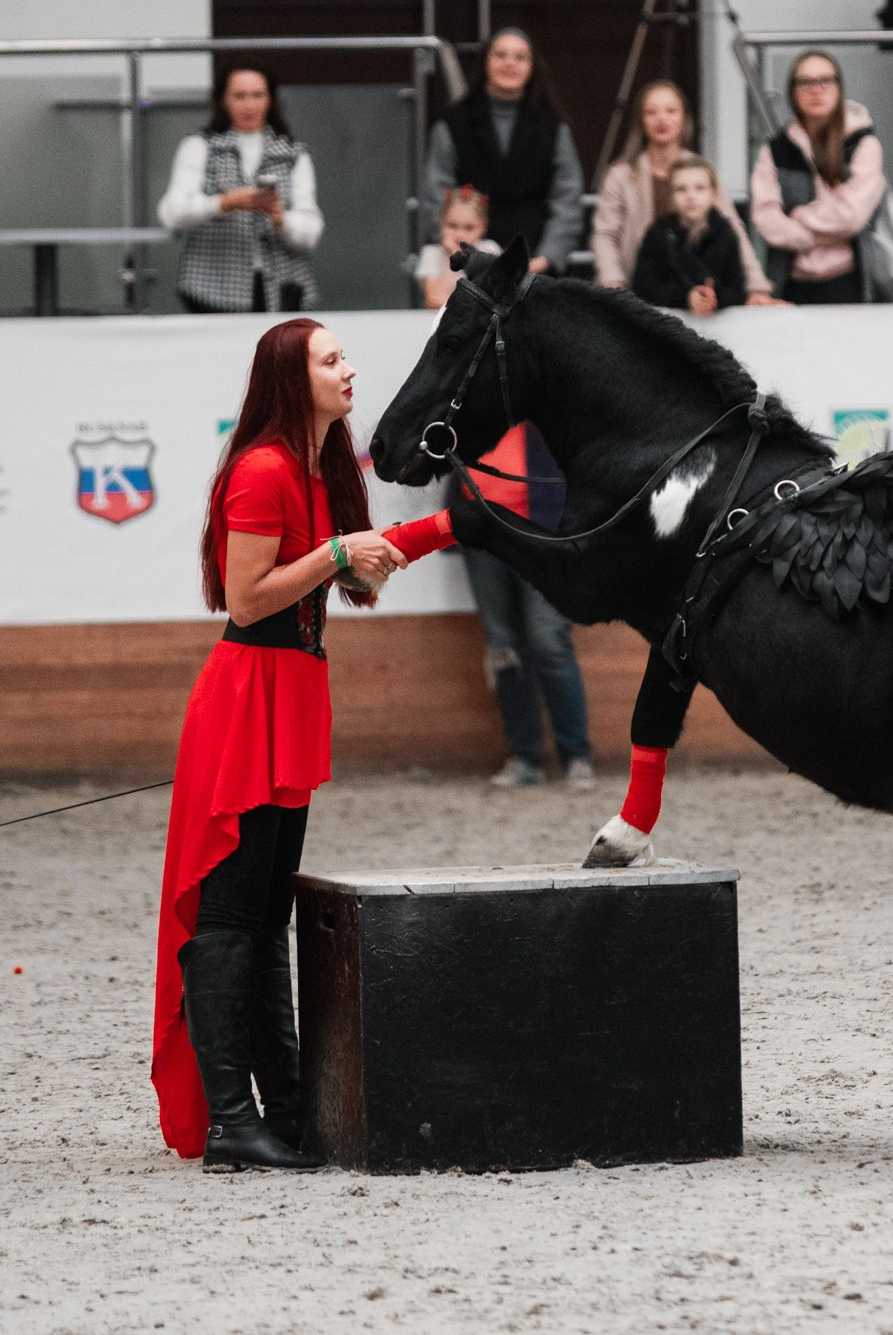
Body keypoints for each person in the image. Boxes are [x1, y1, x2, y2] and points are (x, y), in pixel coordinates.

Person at [152, 319, 459, 1168]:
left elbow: (357, 566)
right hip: (250, 699)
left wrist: (455, 526)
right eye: (331, 360)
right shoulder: (262, 471)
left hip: (287, 696)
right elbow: (247, 601)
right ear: (295, 379)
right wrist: (333, 551)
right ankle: (230, 1121)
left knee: (266, 912)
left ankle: (281, 1105)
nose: (350, 370)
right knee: (232, 914)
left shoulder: (320, 470)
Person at [459, 419, 596, 790]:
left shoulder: (539, 399)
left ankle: (576, 756)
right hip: (483, 535)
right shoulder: (464, 402)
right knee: (503, 647)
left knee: (548, 640)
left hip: (543, 536)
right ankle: (525, 758)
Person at [158, 64, 323, 314]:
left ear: (271, 99)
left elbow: (311, 231)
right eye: (239, 95)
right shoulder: (199, 146)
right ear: (223, 100)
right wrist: (224, 203)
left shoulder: (293, 153)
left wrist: (279, 217)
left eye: (258, 95)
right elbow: (172, 213)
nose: (250, 105)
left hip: (283, 286)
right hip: (211, 287)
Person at [590, 80, 774, 301]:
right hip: (635, 291)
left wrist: (756, 285)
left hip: (695, 295)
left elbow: (732, 226)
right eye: (651, 112)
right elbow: (605, 235)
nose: (662, 119)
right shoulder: (621, 175)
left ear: (684, 117)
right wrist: (614, 285)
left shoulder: (702, 170)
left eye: (671, 111)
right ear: (641, 120)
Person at [423, 28, 582, 275]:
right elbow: (436, 196)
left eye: (520, 57)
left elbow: (567, 199)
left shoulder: (553, 126)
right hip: (467, 267)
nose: (510, 63)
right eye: (500, 55)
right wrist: (455, 249)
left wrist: (547, 257)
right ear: (486, 61)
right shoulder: (453, 123)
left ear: (532, 67)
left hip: (535, 264)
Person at [750, 50, 888, 305]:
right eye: (806, 82)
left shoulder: (862, 144)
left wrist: (800, 217)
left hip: (850, 281)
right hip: (789, 283)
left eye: (826, 80)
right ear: (793, 90)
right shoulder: (776, 150)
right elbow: (765, 218)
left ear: (839, 87)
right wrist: (811, 237)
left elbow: (851, 216)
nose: (817, 89)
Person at [630, 154, 750, 315]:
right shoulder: (658, 232)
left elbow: (736, 290)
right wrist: (686, 296)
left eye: (700, 188)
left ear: (714, 195)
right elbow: (643, 286)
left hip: (717, 324)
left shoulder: (726, 234)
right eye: (681, 189)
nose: (691, 196)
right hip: (670, 323)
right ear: (671, 196)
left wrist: (714, 297)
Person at [413, 185, 500, 310]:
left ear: (483, 226)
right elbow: (434, 300)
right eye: (452, 226)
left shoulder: (490, 250)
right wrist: (452, 257)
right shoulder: (431, 254)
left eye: (469, 228)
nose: (460, 235)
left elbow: (493, 298)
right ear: (441, 223)